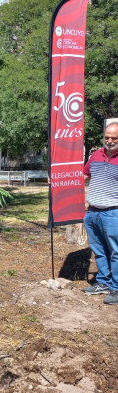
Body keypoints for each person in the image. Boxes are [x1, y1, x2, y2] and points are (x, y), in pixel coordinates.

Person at [83, 122, 118, 304]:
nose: (110, 141)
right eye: (107, 137)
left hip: (113, 213)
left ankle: (116, 287)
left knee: (116, 252)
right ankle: (103, 282)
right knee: (99, 251)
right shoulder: (96, 154)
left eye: (114, 138)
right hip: (92, 213)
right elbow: (83, 174)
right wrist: (57, 179)